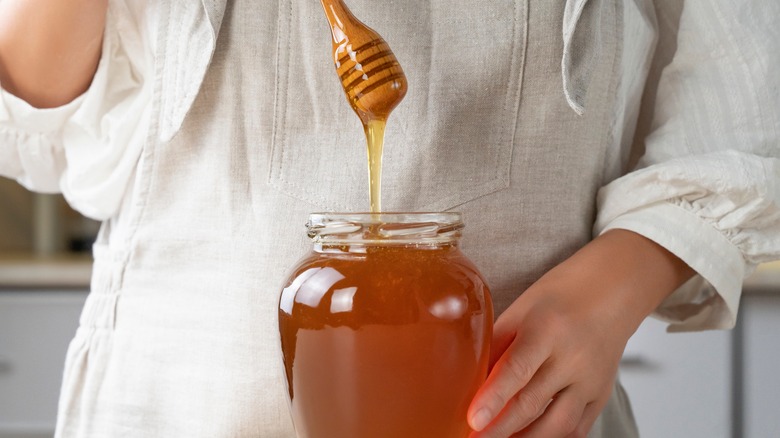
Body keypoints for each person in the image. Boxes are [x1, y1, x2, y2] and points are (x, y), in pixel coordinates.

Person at [1, 0, 778, 437]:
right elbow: (38, 110)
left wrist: (614, 288)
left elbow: (744, 103)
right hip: (178, 401)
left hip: (514, 409)